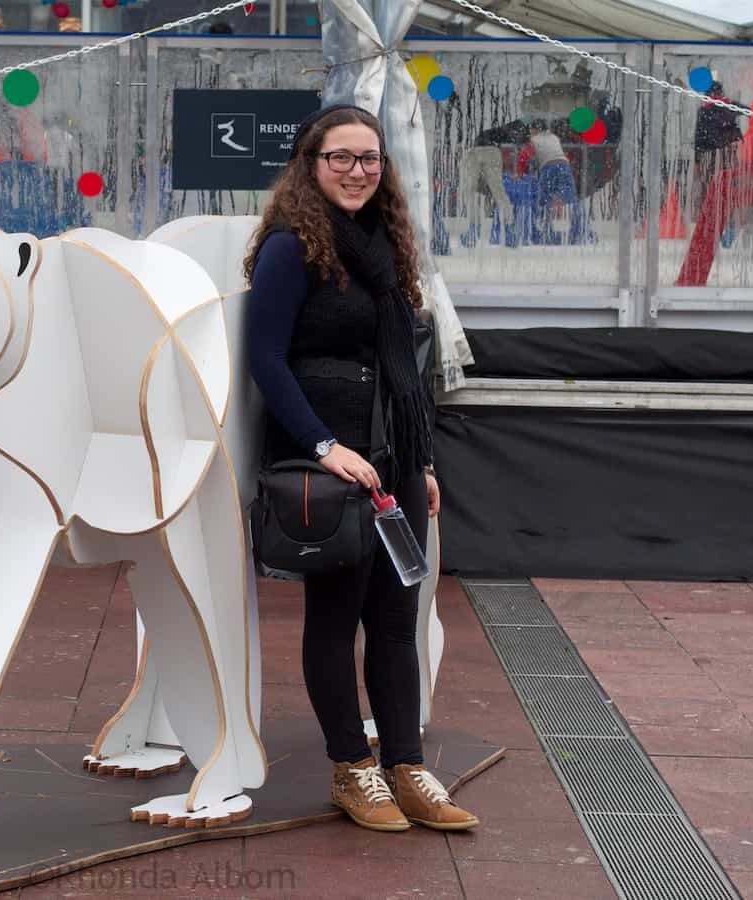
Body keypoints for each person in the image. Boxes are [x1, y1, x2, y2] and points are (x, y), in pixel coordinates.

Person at [243, 105, 478, 833]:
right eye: (341, 157)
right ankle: (352, 769)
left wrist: (423, 460)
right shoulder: (291, 246)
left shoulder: (385, 241)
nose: (357, 171)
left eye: (369, 158)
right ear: (311, 164)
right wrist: (322, 445)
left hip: (395, 457)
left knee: (397, 621)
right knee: (335, 617)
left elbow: (404, 362)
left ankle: (406, 768)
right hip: (336, 464)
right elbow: (266, 359)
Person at [458, 120, 527, 247]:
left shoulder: (485, 126)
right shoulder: (509, 128)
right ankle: (509, 229)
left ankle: (473, 230)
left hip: (475, 151)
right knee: (498, 191)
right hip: (493, 152)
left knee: (469, 191)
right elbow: (516, 145)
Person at [692, 81, 743, 219]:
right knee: (729, 188)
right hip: (727, 154)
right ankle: (727, 218)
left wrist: (697, 161)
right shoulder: (729, 106)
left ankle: (713, 218)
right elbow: (747, 113)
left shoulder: (704, 110)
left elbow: (699, 137)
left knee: (711, 189)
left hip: (710, 156)